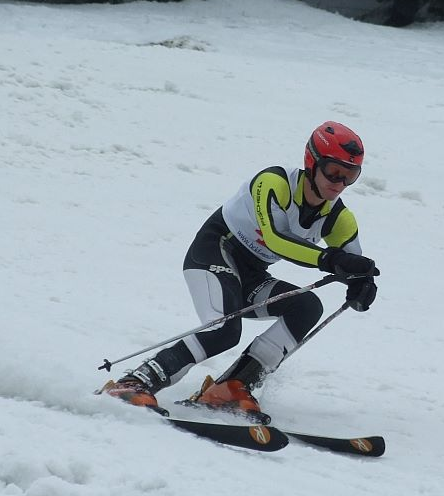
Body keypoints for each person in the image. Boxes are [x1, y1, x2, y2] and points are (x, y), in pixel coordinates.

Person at [102, 121, 379, 418]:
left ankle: (233, 386)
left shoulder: (339, 219)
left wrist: (361, 284)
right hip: (214, 252)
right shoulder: (274, 182)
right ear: (311, 162)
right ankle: (135, 382)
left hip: (252, 275)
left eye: (350, 176)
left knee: (307, 307)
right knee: (225, 329)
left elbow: (354, 264)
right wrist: (330, 261)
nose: (339, 183)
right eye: (333, 171)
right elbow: (275, 239)